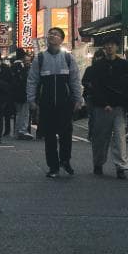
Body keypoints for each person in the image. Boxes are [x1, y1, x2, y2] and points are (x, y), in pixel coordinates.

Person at [27, 27, 83, 177]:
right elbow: (32, 81)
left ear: (61, 39)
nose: (51, 36)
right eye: (50, 33)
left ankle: (65, 160)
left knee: (66, 134)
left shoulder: (68, 58)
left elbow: (75, 81)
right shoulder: (40, 58)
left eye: (55, 34)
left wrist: (78, 99)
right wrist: (31, 100)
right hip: (46, 103)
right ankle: (53, 167)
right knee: (49, 136)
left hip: (65, 103)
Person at [87, 35, 128, 179]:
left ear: (116, 47)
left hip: (119, 107)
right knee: (100, 138)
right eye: (107, 45)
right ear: (103, 47)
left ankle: (121, 167)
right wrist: (103, 103)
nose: (109, 47)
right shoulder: (97, 66)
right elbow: (94, 87)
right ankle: (98, 162)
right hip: (101, 107)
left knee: (120, 137)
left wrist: (127, 102)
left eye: (112, 44)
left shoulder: (124, 65)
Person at [11, 48, 33, 139]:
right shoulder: (21, 66)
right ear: (23, 56)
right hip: (23, 93)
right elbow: (24, 80)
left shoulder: (12, 66)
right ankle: (22, 130)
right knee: (24, 113)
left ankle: (18, 131)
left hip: (15, 93)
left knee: (19, 113)